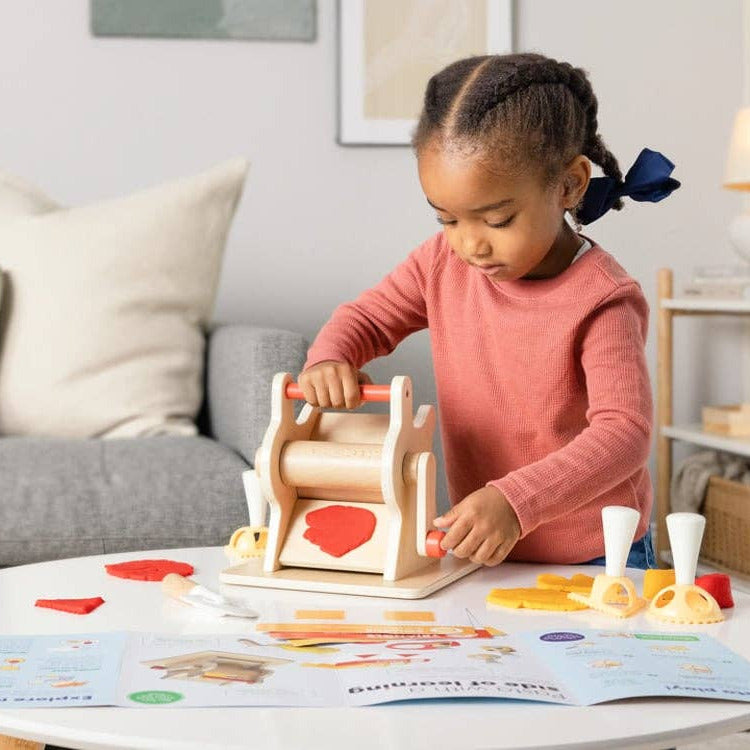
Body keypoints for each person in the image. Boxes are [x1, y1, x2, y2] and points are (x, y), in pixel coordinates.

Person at [298, 53, 680, 570]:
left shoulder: (602, 298)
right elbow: (367, 319)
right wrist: (331, 357)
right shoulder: (440, 263)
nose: (469, 244)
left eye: (497, 219)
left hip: (597, 555)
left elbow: (623, 435)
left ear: (569, 185)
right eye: (447, 219)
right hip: (486, 547)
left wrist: (517, 501)